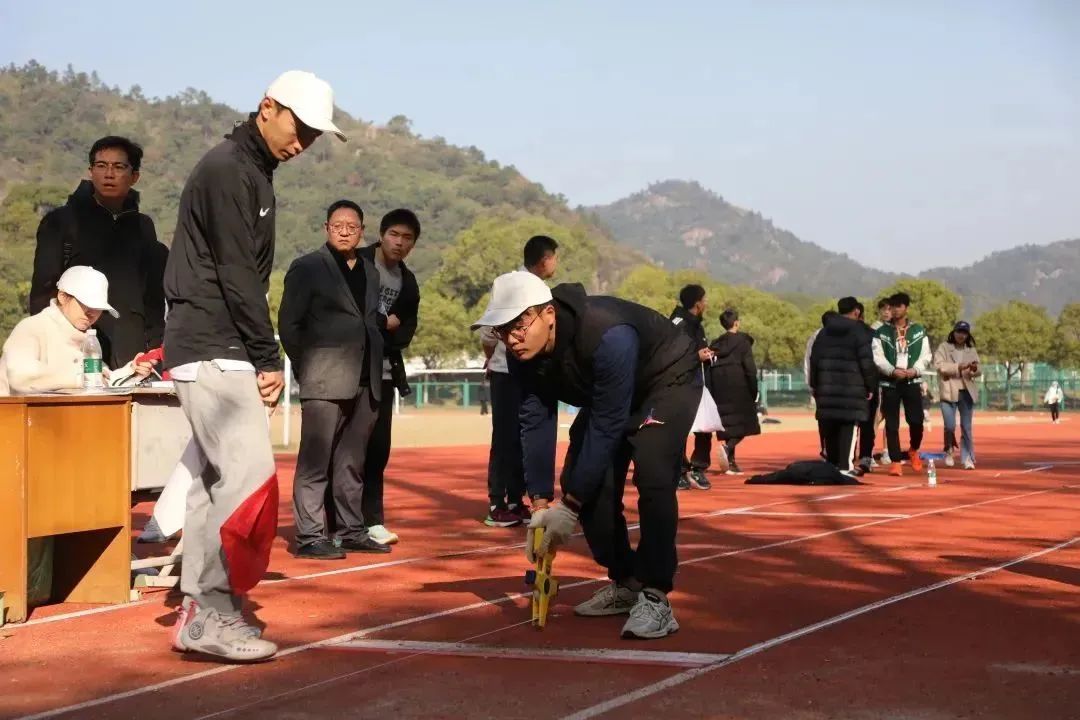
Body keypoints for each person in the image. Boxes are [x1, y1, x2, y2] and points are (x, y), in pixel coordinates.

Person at [164, 70, 347, 662]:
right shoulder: (229, 170)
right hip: (216, 344)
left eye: (316, 135)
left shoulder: (253, 172)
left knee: (214, 485)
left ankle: (202, 607)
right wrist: (267, 357)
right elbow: (238, 274)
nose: (305, 142)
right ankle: (211, 611)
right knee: (248, 484)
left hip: (214, 344)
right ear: (268, 107)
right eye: (302, 127)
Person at [473, 272, 699, 639]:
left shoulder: (608, 333)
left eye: (517, 325)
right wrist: (542, 500)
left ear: (548, 314)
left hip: (665, 378)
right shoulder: (520, 353)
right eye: (501, 329)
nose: (511, 338)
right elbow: (535, 417)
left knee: (654, 475)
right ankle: (626, 582)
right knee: (585, 481)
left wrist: (570, 506)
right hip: (609, 393)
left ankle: (656, 595)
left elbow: (608, 425)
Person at [279, 200, 388, 560]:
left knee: (352, 462)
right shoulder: (307, 267)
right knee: (315, 460)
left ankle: (351, 530)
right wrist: (307, 367)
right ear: (327, 228)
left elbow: (370, 321)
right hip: (323, 379)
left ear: (362, 230)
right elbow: (289, 325)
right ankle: (310, 536)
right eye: (338, 225)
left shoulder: (371, 272)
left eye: (352, 226)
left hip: (365, 380)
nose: (345, 231)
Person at [29, 136, 168, 369]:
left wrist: (154, 350)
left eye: (119, 167)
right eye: (101, 166)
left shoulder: (143, 227)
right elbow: (43, 291)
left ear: (134, 176)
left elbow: (153, 300)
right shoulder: (62, 222)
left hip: (132, 356)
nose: (109, 174)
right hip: (76, 350)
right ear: (90, 171)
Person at [479, 235, 559, 527]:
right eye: (555, 258)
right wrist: (494, 359)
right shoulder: (511, 285)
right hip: (505, 370)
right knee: (505, 436)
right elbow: (488, 333)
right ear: (545, 260)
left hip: (529, 370)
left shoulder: (539, 288)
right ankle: (497, 502)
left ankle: (516, 499)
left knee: (523, 435)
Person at [357, 209, 422, 546]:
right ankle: (335, 522)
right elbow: (355, 315)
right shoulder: (357, 263)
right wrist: (383, 324)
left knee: (378, 448)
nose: (399, 242)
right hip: (350, 371)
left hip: (383, 373)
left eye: (407, 238)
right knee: (345, 450)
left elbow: (407, 328)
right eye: (394, 234)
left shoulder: (407, 282)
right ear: (381, 234)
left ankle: (372, 520)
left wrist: (383, 329)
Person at [0, 266, 155, 395]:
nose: (92, 313)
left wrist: (133, 371)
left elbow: (98, 383)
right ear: (62, 297)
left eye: (98, 308)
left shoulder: (90, 339)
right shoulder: (31, 328)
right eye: (85, 304)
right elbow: (20, 377)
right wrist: (78, 377)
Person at [809, 298, 878, 475]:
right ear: (856, 312)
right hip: (852, 389)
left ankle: (832, 464)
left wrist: (815, 385)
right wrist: (870, 385)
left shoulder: (823, 333)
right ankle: (845, 466)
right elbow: (866, 361)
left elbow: (814, 360)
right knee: (849, 425)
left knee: (830, 423)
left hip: (826, 387)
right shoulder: (858, 332)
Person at [872, 292, 931, 477]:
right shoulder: (881, 332)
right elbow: (877, 356)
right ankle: (896, 461)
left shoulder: (919, 330)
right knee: (891, 423)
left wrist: (916, 370)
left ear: (906, 308)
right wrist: (891, 370)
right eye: (892, 306)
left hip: (912, 380)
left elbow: (926, 355)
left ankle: (913, 449)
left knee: (916, 421)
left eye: (898, 306)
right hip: (890, 382)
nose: (894, 310)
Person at [669, 284, 716, 490]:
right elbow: (670, 354)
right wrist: (695, 356)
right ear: (698, 303)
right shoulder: (677, 324)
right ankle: (679, 470)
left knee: (705, 428)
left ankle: (698, 468)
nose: (706, 303)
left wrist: (707, 355)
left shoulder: (698, 325)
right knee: (679, 429)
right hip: (680, 384)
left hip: (699, 383)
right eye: (704, 300)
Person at [707, 309, 761, 475]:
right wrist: (754, 390)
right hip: (740, 388)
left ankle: (731, 463)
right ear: (736, 322)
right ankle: (727, 447)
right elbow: (750, 369)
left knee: (730, 426)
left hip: (719, 390)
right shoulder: (743, 342)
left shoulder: (716, 344)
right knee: (745, 424)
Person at [933, 321, 980, 469]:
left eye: (964, 332)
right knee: (950, 425)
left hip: (966, 392)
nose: (961, 335)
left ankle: (967, 458)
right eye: (959, 331)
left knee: (966, 427)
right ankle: (948, 450)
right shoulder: (944, 347)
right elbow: (939, 366)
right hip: (948, 391)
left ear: (968, 335)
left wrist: (973, 369)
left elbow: (979, 370)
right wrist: (958, 367)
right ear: (953, 332)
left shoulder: (971, 350)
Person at [805, 310, 836, 460]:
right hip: (829, 385)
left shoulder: (816, 336)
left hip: (821, 385)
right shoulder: (817, 337)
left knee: (824, 419)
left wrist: (811, 384)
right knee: (829, 419)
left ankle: (827, 449)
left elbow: (808, 362)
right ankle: (828, 450)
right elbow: (809, 361)